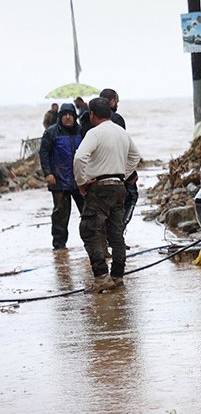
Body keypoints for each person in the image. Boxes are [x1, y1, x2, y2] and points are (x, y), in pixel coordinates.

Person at [74, 97, 141, 293]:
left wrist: (81, 181)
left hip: (100, 187)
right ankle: (118, 277)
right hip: (119, 187)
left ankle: (102, 277)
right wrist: (125, 174)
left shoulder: (94, 133)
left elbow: (79, 157)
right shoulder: (121, 132)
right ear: (110, 113)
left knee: (89, 230)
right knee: (116, 233)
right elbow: (135, 156)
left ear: (92, 115)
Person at [39, 103, 85, 250]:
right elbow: (44, 153)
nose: (67, 117)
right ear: (60, 116)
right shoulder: (51, 132)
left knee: (88, 212)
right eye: (64, 114)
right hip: (59, 180)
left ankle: (91, 243)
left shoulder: (82, 131)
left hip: (80, 180)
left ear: (74, 116)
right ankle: (59, 246)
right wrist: (48, 173)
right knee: (60, 215)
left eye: (70, 114)